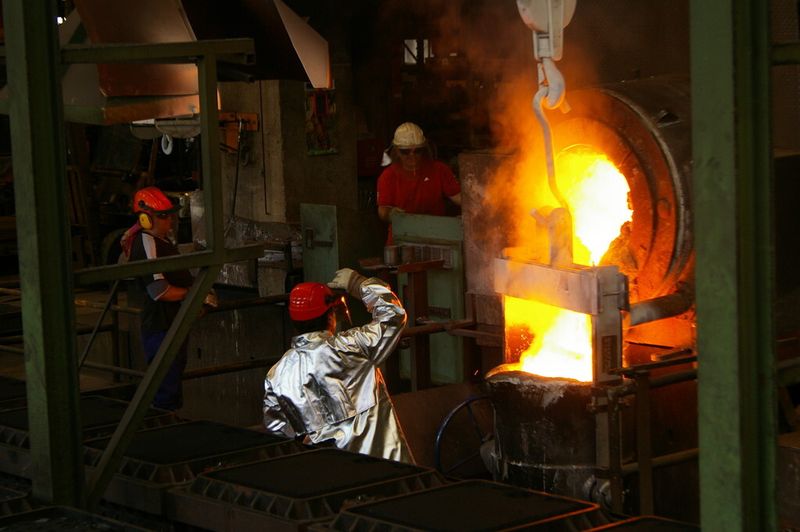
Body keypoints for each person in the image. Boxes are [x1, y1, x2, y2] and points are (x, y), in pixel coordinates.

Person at [262, 268, 415, 463]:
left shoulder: (277, 375)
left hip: (330, 474)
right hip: (389, 470)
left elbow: (277, 431)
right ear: (330, 315)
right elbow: (392, 315)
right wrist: (358, 283)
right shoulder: (352, 346)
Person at [121, 186, 214, 411]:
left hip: (172, 322)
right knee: (165, 383)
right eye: (163, 216)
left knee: (172, 378)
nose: (169, 220)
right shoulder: (146, 243)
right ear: (145, 219)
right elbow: (159, 290)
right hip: (161, 325)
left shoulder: (161, 241)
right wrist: (195, 294)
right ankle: (163, 421)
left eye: (169, 215)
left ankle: (168, 418)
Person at [377, 122, 462, 243]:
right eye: (405, 152)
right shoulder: (388, 176)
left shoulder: (439, 170)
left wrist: (473, 210)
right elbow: (382, 209)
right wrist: (391, 214)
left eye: (417, 151)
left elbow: (459, 197)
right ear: (397, 151)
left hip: (436, 236)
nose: (412, 155)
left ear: (424, 149)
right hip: (402, 237)